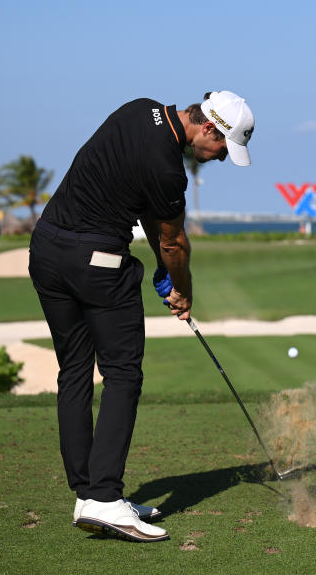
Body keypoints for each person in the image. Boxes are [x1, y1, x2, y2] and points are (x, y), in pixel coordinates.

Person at [28, 91, 255, 542]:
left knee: (74, 370)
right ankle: (105, 499)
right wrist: (183, 291)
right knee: (123, 375)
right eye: (225, 148)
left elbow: (151, 216)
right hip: (96, 264)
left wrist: (160, 267)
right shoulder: (169, 169)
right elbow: (173, 243)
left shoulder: (139, 108)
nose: (223, 158)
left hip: (46, 250)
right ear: (209, 129)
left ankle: (87, 494)